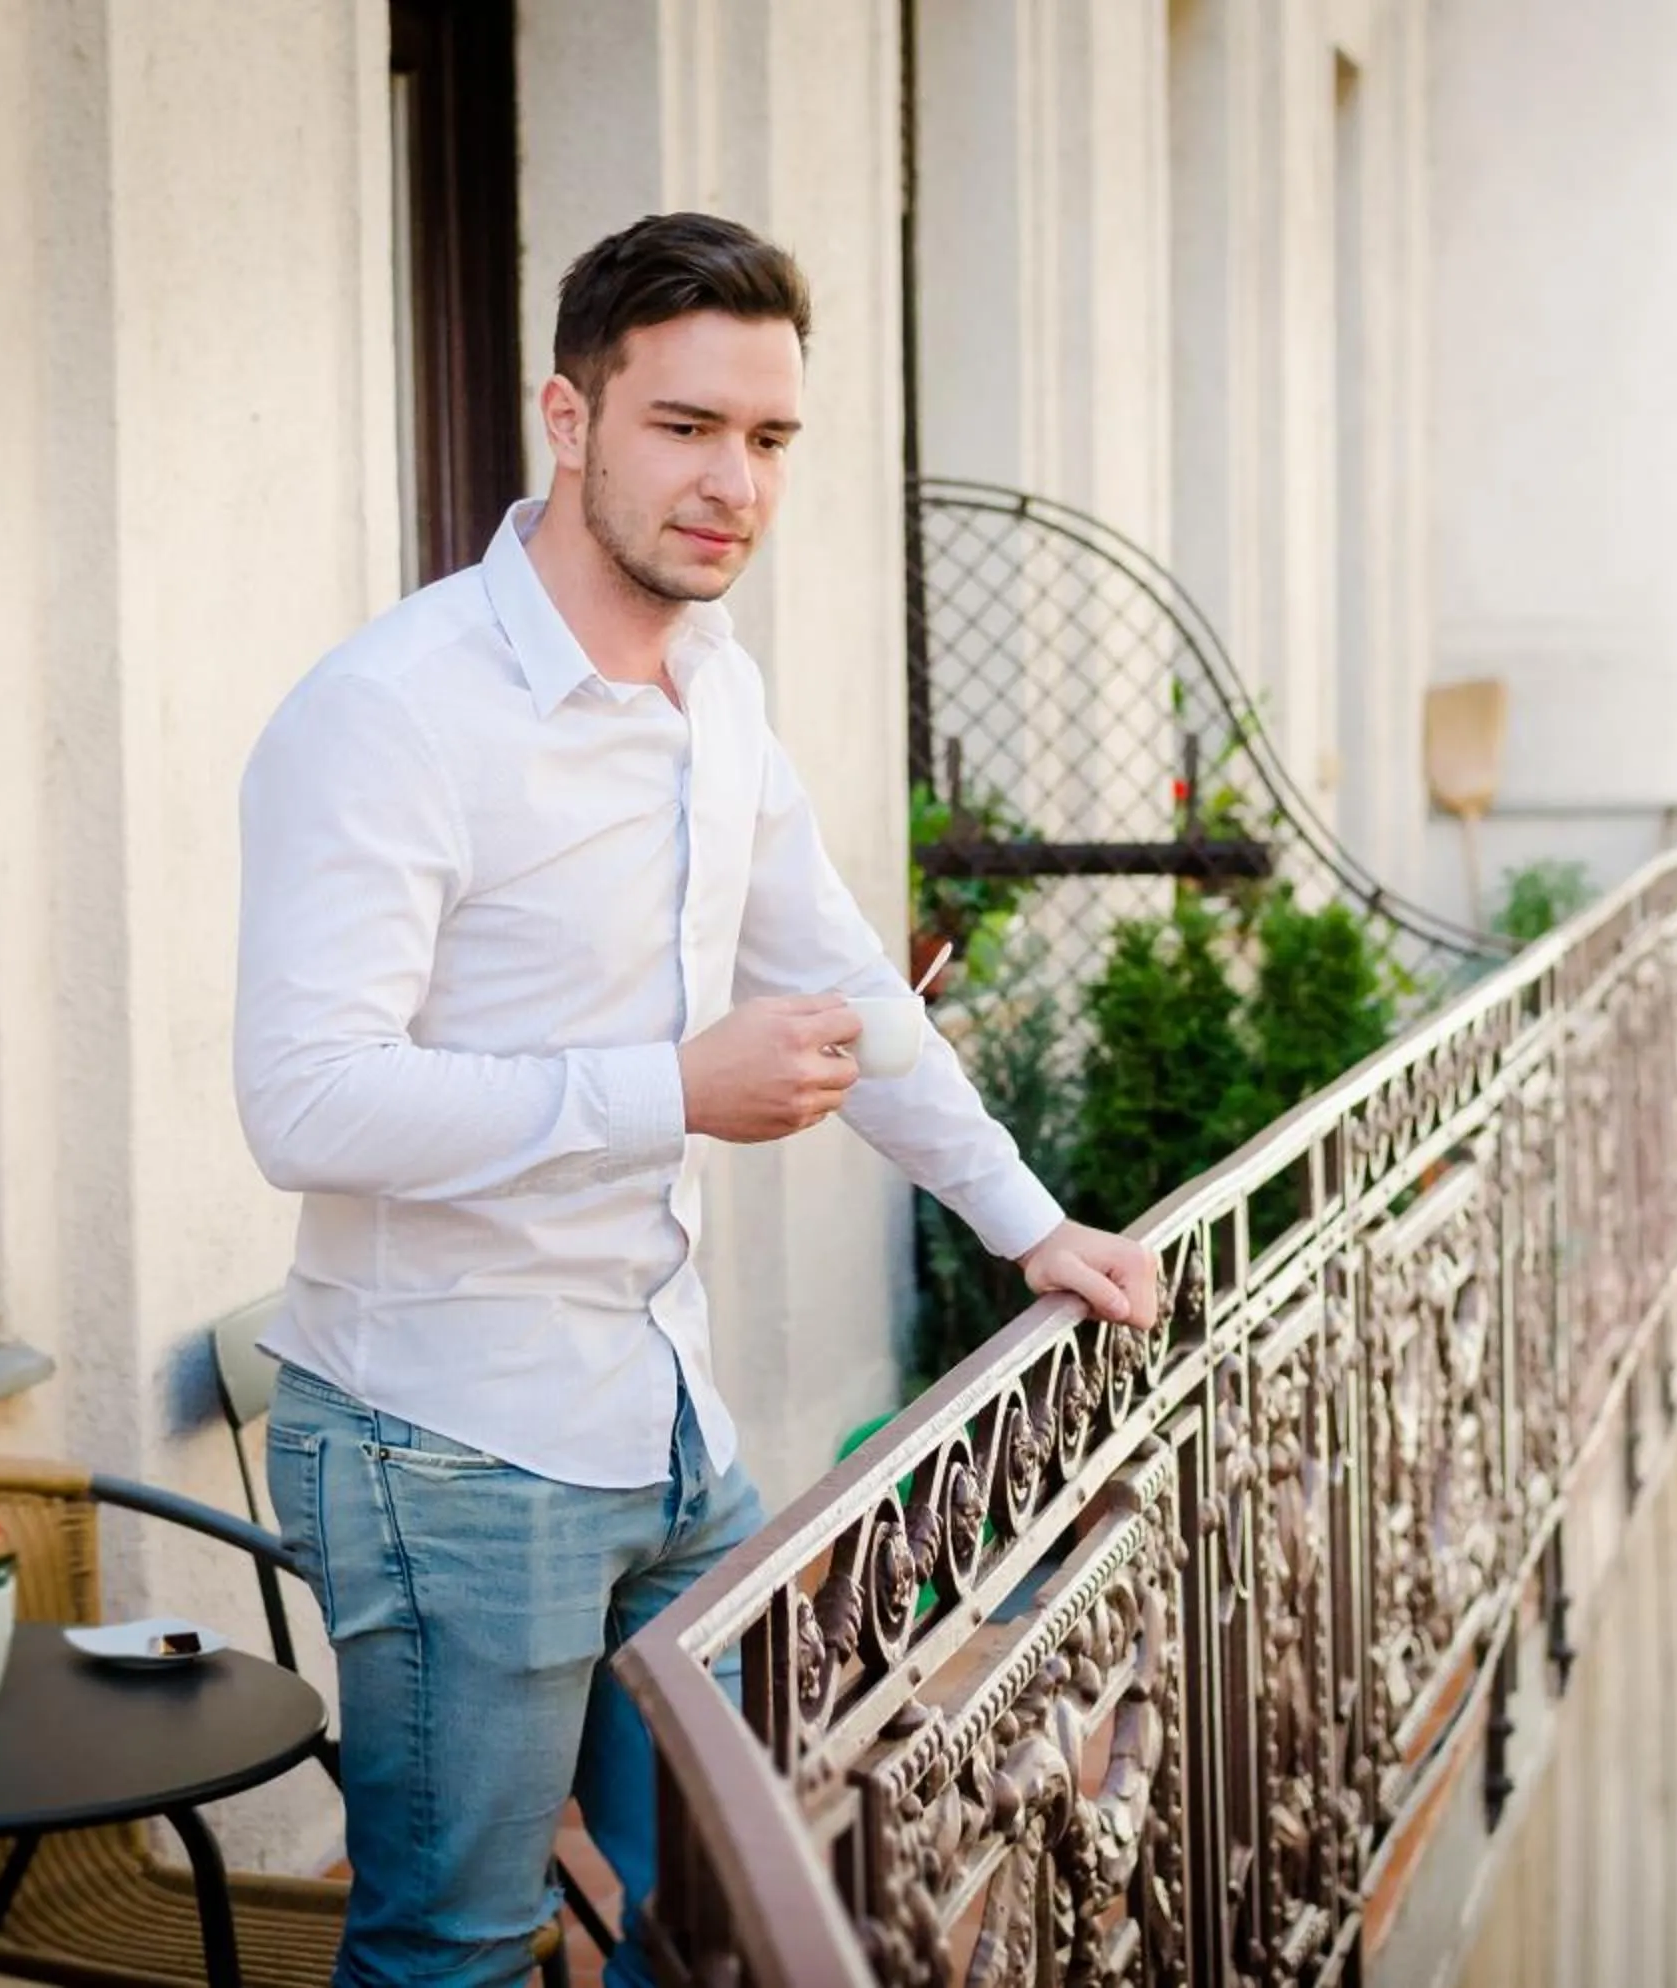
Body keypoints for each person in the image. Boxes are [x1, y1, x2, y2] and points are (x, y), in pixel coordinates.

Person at [232, 211, 1158, 1987]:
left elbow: (856, 996)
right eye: (684, 427)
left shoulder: (715, 693)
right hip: (449, 1437)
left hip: (665, 1421)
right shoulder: (391, 715)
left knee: (741, 1906)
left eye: (771, 437)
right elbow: (305, 1104)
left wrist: (1028, 1223)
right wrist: (670, 1089)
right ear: (567, 421)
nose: (735, 479)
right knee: (454, 1953)